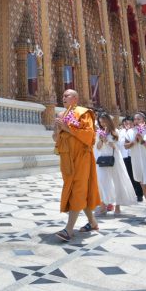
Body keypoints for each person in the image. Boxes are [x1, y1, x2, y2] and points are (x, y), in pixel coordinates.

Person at [53, 90, 101, 241]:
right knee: (80, 191)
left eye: (66, 96)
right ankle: (93, 222)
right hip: (67, 158)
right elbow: (55, 139)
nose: (63, 98)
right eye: (63, 95)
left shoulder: (84, 113)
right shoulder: (62, 116)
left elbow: (89, 135)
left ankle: (69, 229)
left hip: (81, 157)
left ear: (75, 98)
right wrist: (59, 128)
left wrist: (67, 128)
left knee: (78, 189)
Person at [93, 112, 136, 216]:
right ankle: (103, 205)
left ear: (108, 121)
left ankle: (117, 206)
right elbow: (97, 147)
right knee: (102, 181)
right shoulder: (99, 132)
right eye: (101, 122)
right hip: (103, 158)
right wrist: (101, 140)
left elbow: (118, 146)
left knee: (117, 181)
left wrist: (107, 141)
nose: (102, 124)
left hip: (114, 158)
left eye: (104, 121)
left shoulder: (116, 131)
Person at [124, 111, 146, 225]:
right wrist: (135, 141)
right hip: (137, 163)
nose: (136, 121)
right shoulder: (130, 132)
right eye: (135, 119)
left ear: (144, 120)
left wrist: (143, 142)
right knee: (144, 188)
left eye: (139, 119)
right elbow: (125, 146)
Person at [121, 115, 144, 202]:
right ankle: (135, 192)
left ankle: (140, 193)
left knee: (138, 175)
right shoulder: (122, 132)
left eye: (129, 122)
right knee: (131, 175)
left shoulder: (137, 130)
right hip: (125, 156)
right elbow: (121, 144)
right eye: (125, 122)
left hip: (136, 155)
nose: (127, 123)